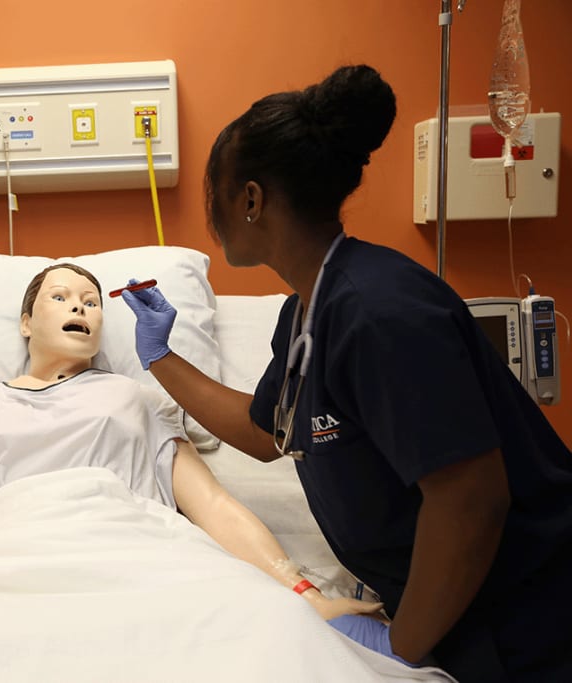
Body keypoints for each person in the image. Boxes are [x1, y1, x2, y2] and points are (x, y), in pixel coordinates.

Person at [120, 64, 572, 682]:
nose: (210, 214)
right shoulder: (307, 310)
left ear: (251, 200)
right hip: (450, 612)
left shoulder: (378, 312)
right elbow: (267, 435)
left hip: (525, 619)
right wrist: (160, 357)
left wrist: (403, 648)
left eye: (213, 195)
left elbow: (470, 501)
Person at [0, 263, 381, 677]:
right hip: (2, 564)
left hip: (141, 562)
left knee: (267, 639)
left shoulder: (136, 399)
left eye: (91, 300)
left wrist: (300, 592)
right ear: (27, 322)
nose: (82, 306)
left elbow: (212, 506)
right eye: (61, 296)